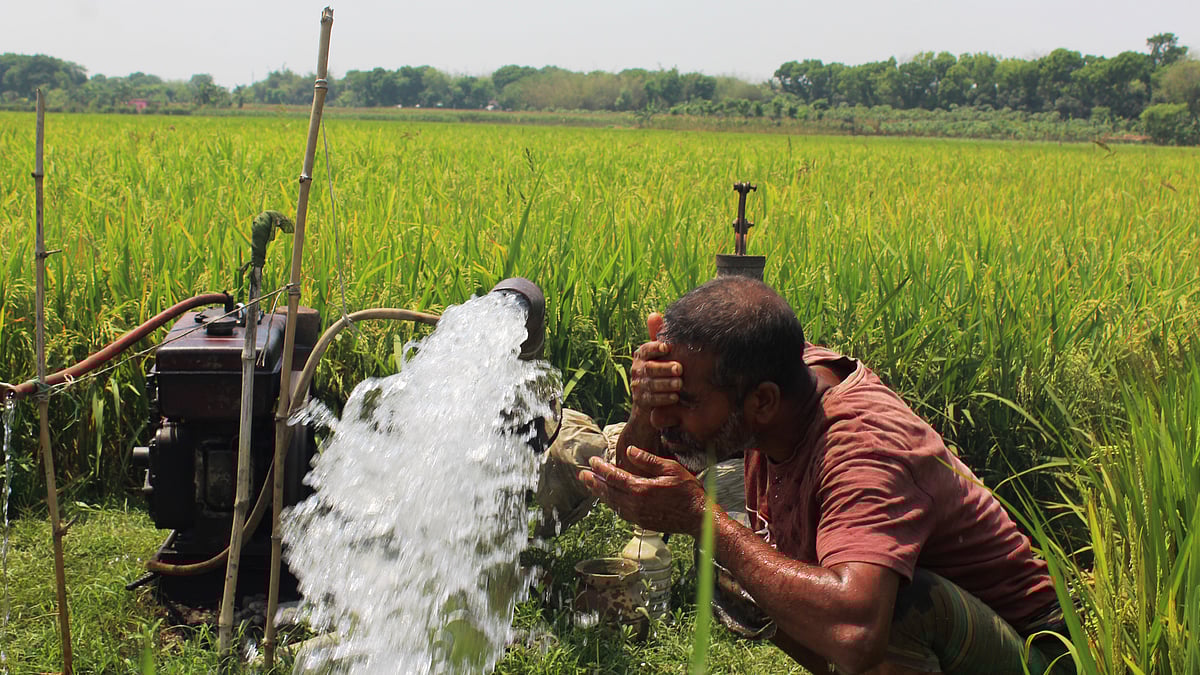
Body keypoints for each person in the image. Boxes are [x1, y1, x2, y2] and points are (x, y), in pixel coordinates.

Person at [578, 275, 1070, 675]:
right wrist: (646, 402)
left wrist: (703, 518)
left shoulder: (862, 449)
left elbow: (858, 634)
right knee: (742, 567)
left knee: (888, 607)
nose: (666, 418)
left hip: (1036, 654)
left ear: (763, 401)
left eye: (683, 400)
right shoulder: (769, 379)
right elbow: (639, 477)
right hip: (919, 638)